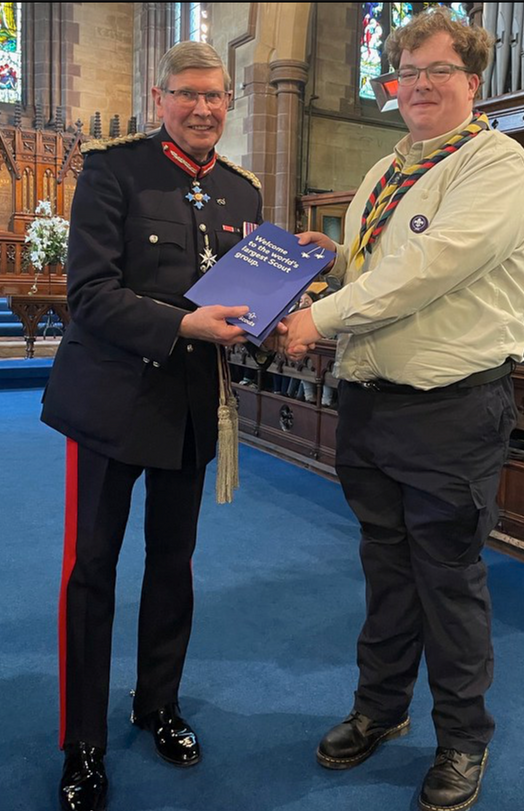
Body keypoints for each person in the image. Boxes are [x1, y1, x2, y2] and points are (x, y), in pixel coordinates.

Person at [277, 9, 524, 811]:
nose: (419, 85)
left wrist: (316, 318)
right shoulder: (386, 170)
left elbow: (428, 268)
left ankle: (463, 739)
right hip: (369, 401)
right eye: (406, 73)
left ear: (473, 80)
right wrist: (318, 260)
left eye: (437, 70)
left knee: (448, 581)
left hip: (450, 411)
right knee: (385, 573)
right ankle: (381, 709)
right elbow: (376, 262)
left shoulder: (497, 164)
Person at [41, 41, 263, 811]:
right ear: (159, 96)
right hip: (110, 403)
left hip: (192, 410)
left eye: (217, 95)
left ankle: (157, 702)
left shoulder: (242, 191)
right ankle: (83, 742)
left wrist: (286, 302)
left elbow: (248, 302)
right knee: (92, 571)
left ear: (229, 101)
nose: (204, 107)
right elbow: (92, 294)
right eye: (189, 94)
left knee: (175, 566)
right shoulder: (113, 169)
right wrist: (188, 323)